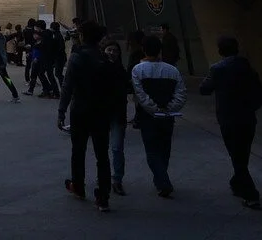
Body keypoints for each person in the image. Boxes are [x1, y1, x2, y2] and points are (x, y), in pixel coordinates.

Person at [57, 21, 120, 212]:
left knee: (79, 150)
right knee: (102, 155)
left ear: (83, 36)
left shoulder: (77, 57)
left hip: (81, 110)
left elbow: (67, 87)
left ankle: (78, 186)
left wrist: (61, 111)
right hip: (101, 112)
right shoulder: (106, 58)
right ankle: (103, 196)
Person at [200, 36, 262, 208]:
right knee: (242, 153)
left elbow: (204, 89)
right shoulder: (248, 68)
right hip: (248, 118)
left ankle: (250, 194)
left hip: (229, 118)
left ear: (220, 51)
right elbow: (260, 94)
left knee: (237, 155)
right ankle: (237, 182)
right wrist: (250, 108)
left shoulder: (218, 69)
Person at [131, 34, 187, 198]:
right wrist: (169, 108)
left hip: (148, 116)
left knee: (151, 149)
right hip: (168, 116)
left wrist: (154, 109)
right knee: (165, 148)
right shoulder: (172, 70)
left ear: (143, 49)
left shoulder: (138, 70)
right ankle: (161, 178)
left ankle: (162, 180)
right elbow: (181, 93)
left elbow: (140, 95)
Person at [102, 40, 132, 196]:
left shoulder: (121, 70)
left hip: (118, 114)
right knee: (103, 149)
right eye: (109, 50)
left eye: (115, 51)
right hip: (103, 113)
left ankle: (117, 180)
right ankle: (105, 178)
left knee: (117, 147)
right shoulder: (99, 68)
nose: (112, 53)